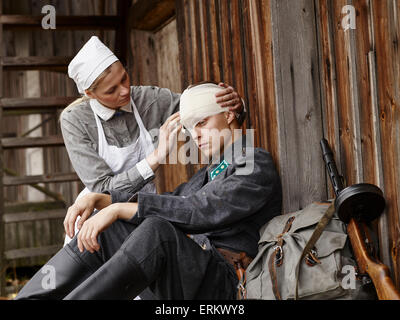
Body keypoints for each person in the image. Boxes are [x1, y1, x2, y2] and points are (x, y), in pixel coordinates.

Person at [15, 83, 282, 300]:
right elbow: (170, 201)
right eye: (191, 129)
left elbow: (201, 210)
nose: (196, 135)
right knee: (111, 229)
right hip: (189, 275)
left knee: (157, 231)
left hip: (224, 284)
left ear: (228, 114)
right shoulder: (209, 172)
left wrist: (118, 209)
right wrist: (101, 199)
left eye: (202, 122)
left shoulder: (253, 162)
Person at [61, 36, 246, 243]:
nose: (124, 91)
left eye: (124, 78)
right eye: (111, 90)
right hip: (97, 210)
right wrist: (157, 157)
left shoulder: (149, 99)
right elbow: (102, 187)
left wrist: (235, 106)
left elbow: (205, 112)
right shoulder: (74, 121)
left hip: (145, 209)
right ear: (90, 94)